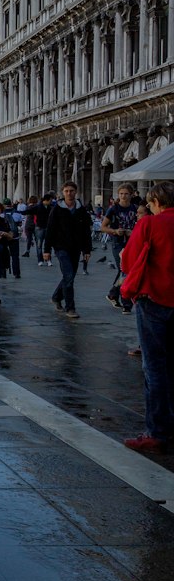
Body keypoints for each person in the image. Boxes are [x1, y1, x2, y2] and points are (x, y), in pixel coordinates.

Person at [118, 181, 174, 450]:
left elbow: (128, 261)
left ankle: (158, 431)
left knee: (155, 367)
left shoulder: (149, 224)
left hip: (153, 300)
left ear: (154, 202)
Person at [43, 182, 91, 319]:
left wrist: (87, 250)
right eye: (66, 191)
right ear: (62, 193)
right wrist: (46, 250)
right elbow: (50, 230)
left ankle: (56, 297)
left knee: (69, 276)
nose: (69, 193)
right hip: (60, 247)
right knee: (69, 275)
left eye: (71, 191)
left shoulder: (81, 209)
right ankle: (70, 308)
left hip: (76, 247)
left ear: (76, 192)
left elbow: (86, 231)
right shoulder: (57, 209)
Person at [102, 184, 140, 312]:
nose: (123, 196)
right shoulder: (113, 209)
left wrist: (132, 232)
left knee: (126, 270)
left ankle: (113, 294)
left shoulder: (135, 208)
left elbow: (140, 225)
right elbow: (103, 227)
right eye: (121, 194)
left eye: (126, 194)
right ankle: (126, 303)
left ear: (131, 194)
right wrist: (114, 231)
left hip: (132, 242)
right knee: (124, 269)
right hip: (117, 242)